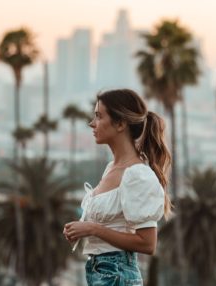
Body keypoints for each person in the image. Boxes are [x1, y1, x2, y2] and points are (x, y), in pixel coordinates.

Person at [63, 88, 172, 285]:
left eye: (98, 116)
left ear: (120, 124)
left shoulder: (137, 175)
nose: (92, 123)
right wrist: (80, 230)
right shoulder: (111, 169)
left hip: (117, 275)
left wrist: (92, 229)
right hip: (101, 273)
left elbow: (148, 243)